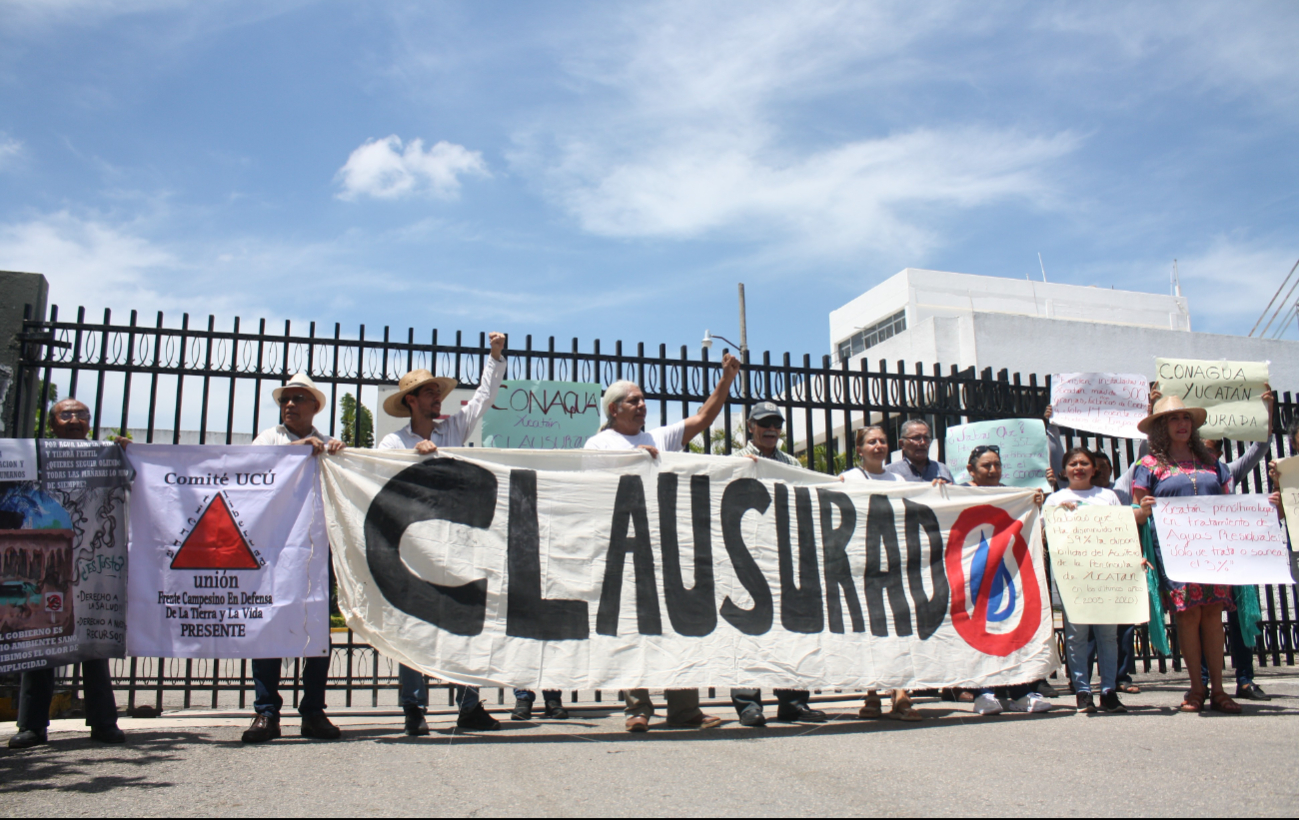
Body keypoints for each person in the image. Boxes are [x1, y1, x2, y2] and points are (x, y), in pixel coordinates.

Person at [584, 352, 741, 732]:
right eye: (633, 401)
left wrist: (727, 380)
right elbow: (590, 489)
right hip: (625, 548)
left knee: (678, 622)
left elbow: (703, 418)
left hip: (668, 545)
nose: (642, 406)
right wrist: (632, 462)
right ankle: (637, 710)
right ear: (613, 409)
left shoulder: (660, 437)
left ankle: (685, 710)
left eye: (642, 399)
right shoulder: (598, 444)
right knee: (632, 627)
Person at [379, 331, 509, 735]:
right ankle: (414, 709)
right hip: (413, 546)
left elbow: (485, 397)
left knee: (463, 620)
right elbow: (379, 479)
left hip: (454, 543)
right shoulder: (391, 442)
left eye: (438, 392)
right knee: (414, 625)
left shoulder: (453, 430)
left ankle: (468, 705)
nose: (438, 399)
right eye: (429, 393)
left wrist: (494, 356)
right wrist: (410, 456)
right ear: (411, 402)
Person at [7, 399, 127, 749]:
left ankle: (104, 722)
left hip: (92, 563)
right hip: (41, 564)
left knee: (94, 645)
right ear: (52, 423)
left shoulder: (105, 456)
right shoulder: (31, 456)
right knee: (39, 642)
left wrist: (127, 451)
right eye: (66, 414)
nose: (75, 420)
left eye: (82, 415)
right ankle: (31, 726)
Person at [243, 374, 346, 744]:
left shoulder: (330, 446)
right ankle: (266, 713)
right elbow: (250, 474)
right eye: (285, 399)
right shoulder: (268, 440)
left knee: (316, 629)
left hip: (315, 552)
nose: (290, 404)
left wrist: (338, 455)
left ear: (314, 407)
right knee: (269, 626)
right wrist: (295, 451)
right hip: (271, 551)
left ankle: (313, 711)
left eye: (299, 398)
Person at [1132, 396, 1241, 714]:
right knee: (1187, 616)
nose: (1181, 423)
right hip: (1175, 551)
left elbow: (1229, 503)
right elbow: (1137, 513)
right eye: (1173, 419)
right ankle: (1196, 688)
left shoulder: (1212, 462)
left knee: (1213, 616)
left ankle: (1219, 690)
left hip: (1213, 549)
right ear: (1161, 427)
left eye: (1185, 418)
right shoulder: (1148, 466)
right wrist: (1144, 509)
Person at [728, 401, 827, 726]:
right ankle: (747, 704)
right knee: (746, 631)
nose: (771, 429)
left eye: (776, 423)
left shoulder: (791, 464)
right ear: (751, 427)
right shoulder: (732, 462)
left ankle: (794, 702)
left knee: (791, 629)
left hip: (785, 557)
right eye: (764, 423)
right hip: (745, 559)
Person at [1046, 446, 1146, 714]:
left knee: (1108, 636)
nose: (1078, 468)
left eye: (1084, 463)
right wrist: (1060, 514)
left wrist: (1135, 558)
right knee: (1077, 635)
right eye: (1073, 464)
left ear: (1094, 469)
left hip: (1106, 575)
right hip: (1074, 577)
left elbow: (1121, 532)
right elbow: (1048, 535)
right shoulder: (1055, 499)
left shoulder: (1108, 496)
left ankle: (1109, 690)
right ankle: (1082, 691)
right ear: (1063, 471)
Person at [957, 444, 1053, 715]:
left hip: (1008, 576)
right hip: (973, 578)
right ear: (971, 470)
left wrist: (1033, 503)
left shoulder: (1012, 495)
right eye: (986, 465)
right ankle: (983, 692)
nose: (993, 470)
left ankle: (1021, 690)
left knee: (1013, 630)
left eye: (997, 464)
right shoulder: (959, 494)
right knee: (979, 634)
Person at [839, 425, 922, 722]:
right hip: (861, 563)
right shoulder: (848, 478)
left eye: (883, 441)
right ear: (859, 449)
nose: (878, 446)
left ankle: (900, 694)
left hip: (893, 561)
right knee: (868, 629)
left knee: (898, 627)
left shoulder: (898, 479)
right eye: (872, 442)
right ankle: (871, 694)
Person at [1198, 387, 1275, 702]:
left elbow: (1260, 447)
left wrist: (1266, 412)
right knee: (1202, 617)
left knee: (1240, 616)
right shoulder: (1182, 474)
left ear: (1220, 451)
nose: (1208, 454)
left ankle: (1245, 679)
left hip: (1233, 553)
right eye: (1202, 448)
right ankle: (1202, 681)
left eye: (1213, 449)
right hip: (1200, 554)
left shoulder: (1229, 471)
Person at [884, 419, 953, 484]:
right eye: (916, 438)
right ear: (902, 444)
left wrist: (945, 489)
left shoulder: (942, 469)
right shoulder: (890, 472)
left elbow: (958, 495)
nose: (923, 442)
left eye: (926, 437)